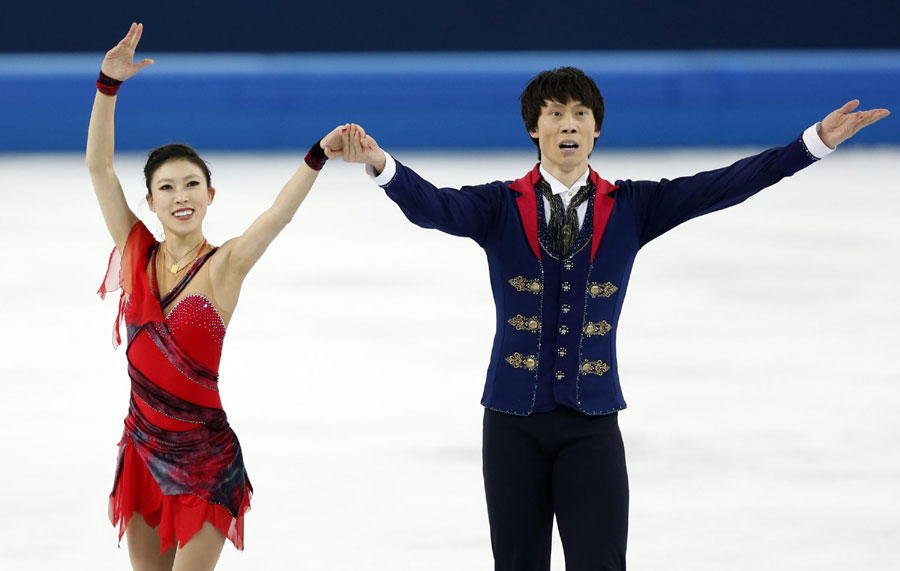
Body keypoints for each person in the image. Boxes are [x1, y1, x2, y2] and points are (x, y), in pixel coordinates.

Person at [330, 67, 889, 570]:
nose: (568, 124)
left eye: (580, 114)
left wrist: (810, 146)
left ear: (596, 130)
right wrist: (381, 164)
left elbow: (725, 185)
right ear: (535, 128)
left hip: (591, 421)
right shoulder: (499, 205)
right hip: (510, 421)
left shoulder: (633, 206)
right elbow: (435, 207)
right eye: (555, 114)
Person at [88, 23, 346, 571]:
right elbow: (98, 167)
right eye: (167, 188)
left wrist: (317, 156)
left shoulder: (224, 265)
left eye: (190, 185)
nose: (180, 197)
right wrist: (108, 85)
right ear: (152, 202)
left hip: (206, 459)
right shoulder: (136, 253)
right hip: (143, 450)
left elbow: (277, 215)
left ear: (209, 194)